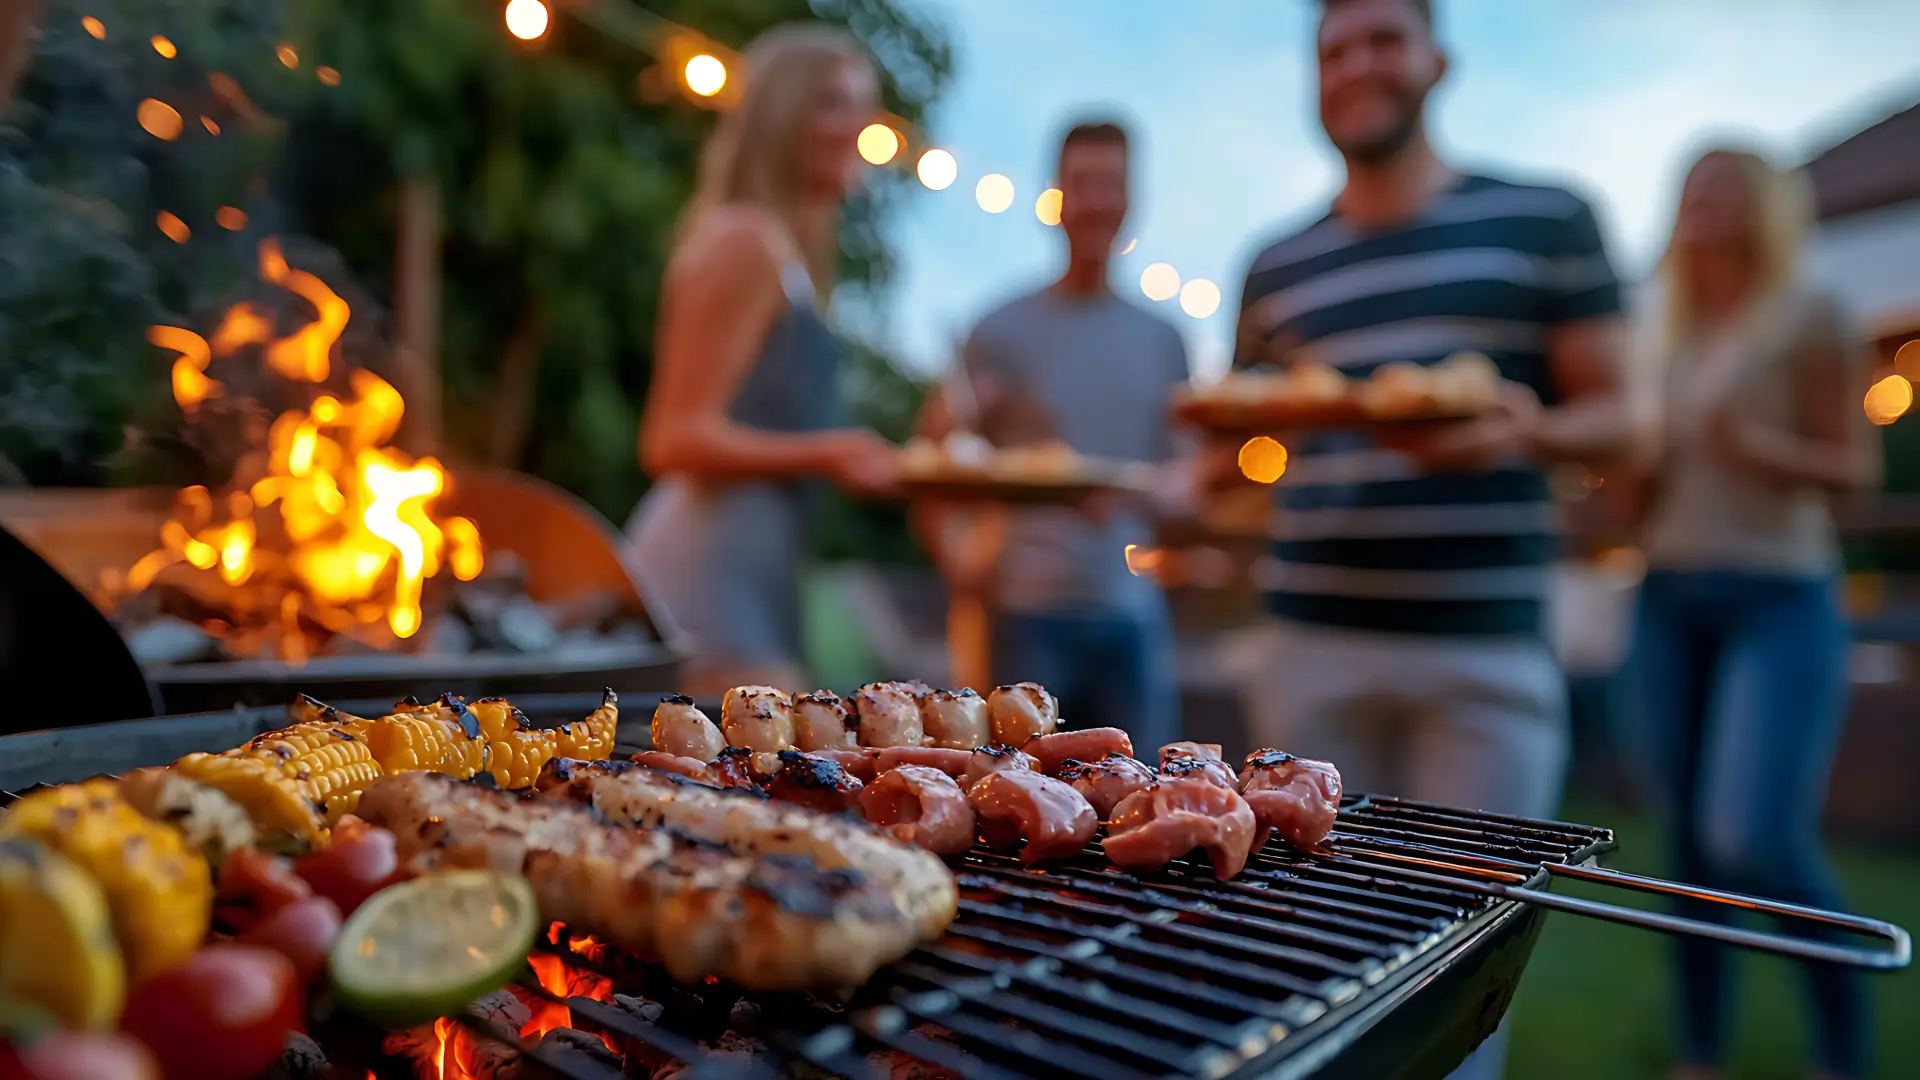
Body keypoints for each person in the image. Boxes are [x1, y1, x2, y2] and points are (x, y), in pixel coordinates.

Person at [1219, 1, 1642, 1075]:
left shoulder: (1547, 218)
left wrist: (1531, 426)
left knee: (1457, 984)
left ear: (1436, 58)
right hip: (1309, 649)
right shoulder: (1277, 264)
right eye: (1334, 47)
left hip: (1482, 655)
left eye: (1382, 38)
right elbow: (1238, 452)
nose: (1358, 64)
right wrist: (1147, 488)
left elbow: (1629, 420)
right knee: (1294, 955)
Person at [1626, 147, 1879, 1080]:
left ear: (1764, 206)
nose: (1700, 202)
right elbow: (1636, 494)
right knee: (1689, 851)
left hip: (1780, 594)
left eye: (1722, 186)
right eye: (1687, 185)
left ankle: (1844, 1043)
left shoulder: (1813, 311)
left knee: (1755, 837)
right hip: (1669, 595)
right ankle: (1701, 1055)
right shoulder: (1665, 328)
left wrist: (1754, 444)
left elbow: (1855, 471)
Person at [629, 24, 899, 695]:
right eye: (834, 103)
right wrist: (828, 451)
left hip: (760, 576)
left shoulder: (785, 256)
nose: (857, 125)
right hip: (708, 583)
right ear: (782, 118)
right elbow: (673, 438)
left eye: (862, 105)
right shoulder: (744, 240)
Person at [914, 120, 1190, 750]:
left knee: (1140, 799)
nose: (1096, 201)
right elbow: (934, 456)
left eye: (1111, 184)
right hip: (1022, 615)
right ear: (1055, 198)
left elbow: (1183, 475)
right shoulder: (998, 329)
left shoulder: (1164, 339)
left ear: (1131, 199)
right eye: (1082, 184)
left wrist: (1179, 495)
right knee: (1015, 799)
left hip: (1132, 611)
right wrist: (956, 559)